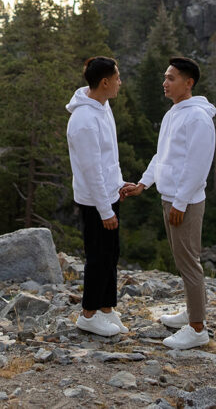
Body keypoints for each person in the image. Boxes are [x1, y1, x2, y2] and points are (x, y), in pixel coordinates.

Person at [121, 56, 216, 349]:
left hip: (183, 202)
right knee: (183, 260)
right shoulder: (175, 113)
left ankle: (198, 329)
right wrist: (143, 183)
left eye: (171, 78)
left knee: (189, 263)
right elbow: (162, 156)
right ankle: (191, 311)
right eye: (165, 77)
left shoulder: (197, 117)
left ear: (189, 83)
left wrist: (181, 202)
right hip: (172, 198)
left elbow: (198, 165)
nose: (165, 83)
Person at [66, 56, 128, 337]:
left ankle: (106, 307)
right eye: (117, 78)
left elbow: (108, 158)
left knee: (110, 254)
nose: (119, 82)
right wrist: (105, 210)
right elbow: (91, 171)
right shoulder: (84, 120)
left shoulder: (103, 107)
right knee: (97, 255)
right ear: (104, 82)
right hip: (94, 201)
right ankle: (88, 314)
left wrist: (118, 184)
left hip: (107, 193)